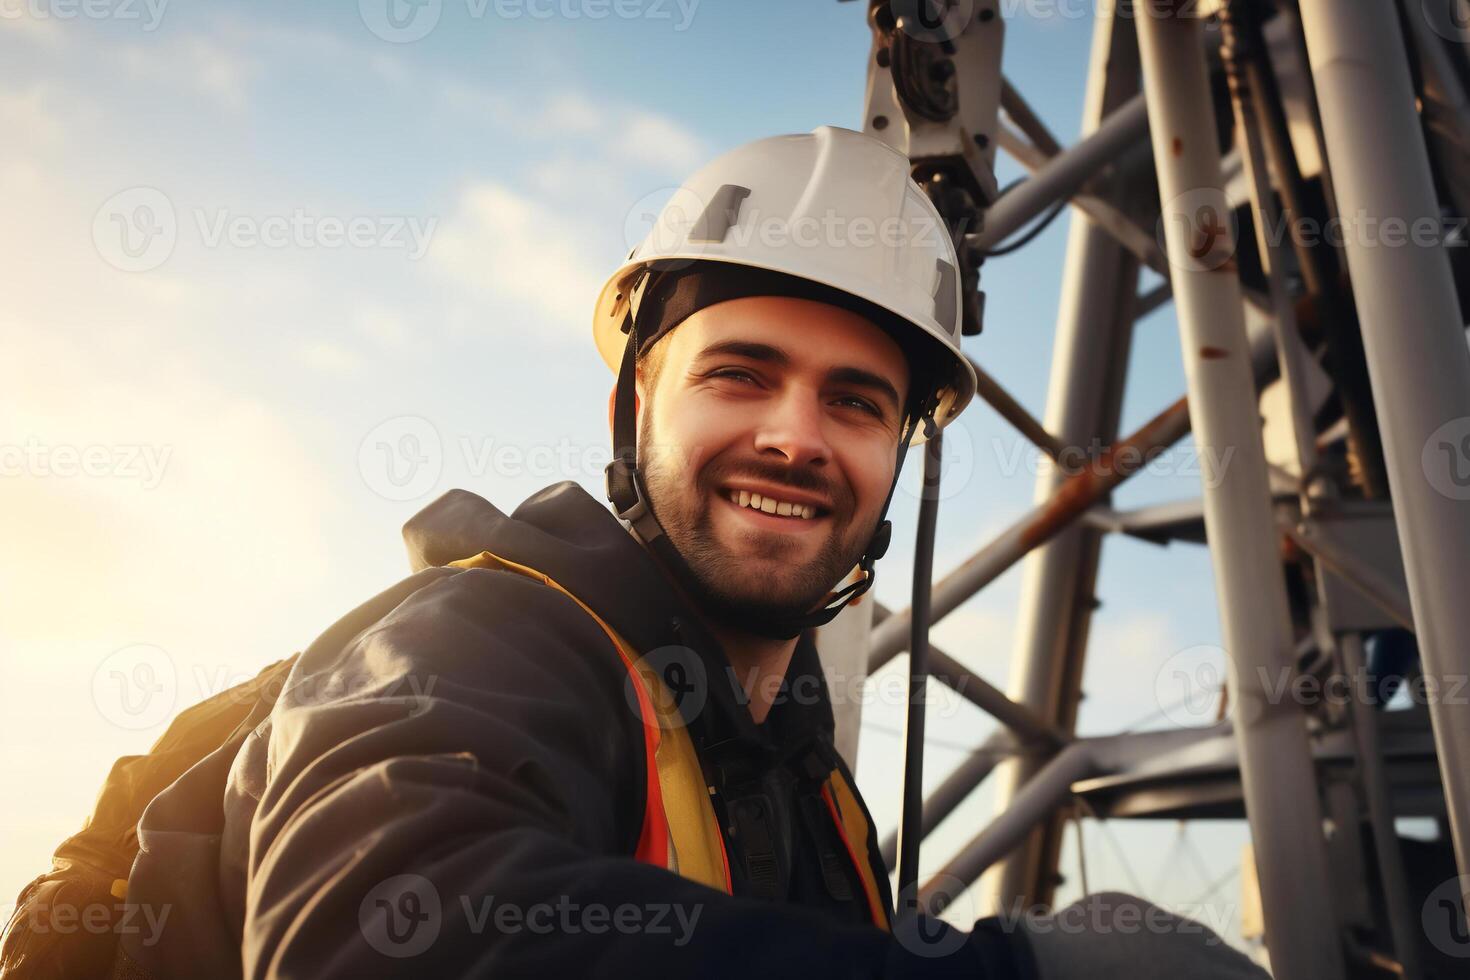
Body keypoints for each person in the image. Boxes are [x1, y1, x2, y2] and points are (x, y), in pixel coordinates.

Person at [112, 126, 1268, 979]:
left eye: (857, 402)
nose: (795, 437)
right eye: (741, 373)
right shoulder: (474, 645)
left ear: (900, 455)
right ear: (636, 404)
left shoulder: (800, 778)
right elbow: (381, 938)